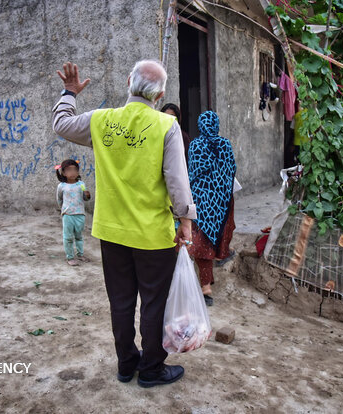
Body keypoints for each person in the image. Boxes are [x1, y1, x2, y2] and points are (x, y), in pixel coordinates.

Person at [52, 60, 195, 388]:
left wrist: (69, 93)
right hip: (153, 235)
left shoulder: (101, 121)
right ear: (159, 94)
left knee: (121, 301)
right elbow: (176, 181)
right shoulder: (165, 126)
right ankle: (152, 369)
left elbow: (61, 123)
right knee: (153, 302)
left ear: (128, 81)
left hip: (112, 232)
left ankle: (126, 363)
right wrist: (185, 219)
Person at [187, 111, 237, 307]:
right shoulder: (225, 144)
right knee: (214, 239)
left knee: (202, 243)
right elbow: (231, 170)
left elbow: (192, 173)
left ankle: (205, 286)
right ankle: (207, 283)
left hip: (201, 204)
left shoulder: (196, 145)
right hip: (222, 202)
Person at [56, 159, 91, 266]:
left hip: (80, 214)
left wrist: (88, 195)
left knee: (79, 236)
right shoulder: (61, 186)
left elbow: (86, 198)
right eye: (69, 170)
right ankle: (70, 257)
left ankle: (80, 254)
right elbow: (59, 200)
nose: (72, 173)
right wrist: (64, 210)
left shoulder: (81, 184)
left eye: (75, 170)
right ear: (63, 173)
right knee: (68, 237)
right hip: (68, 215)